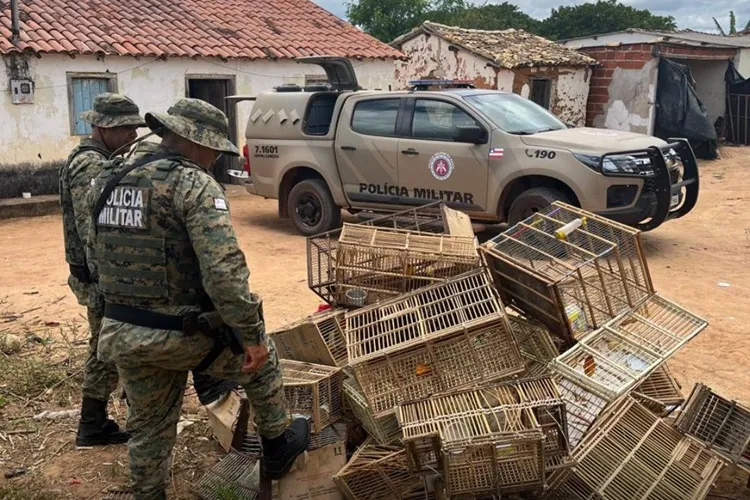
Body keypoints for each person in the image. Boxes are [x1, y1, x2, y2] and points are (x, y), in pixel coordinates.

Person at [88, 98, 309, 499]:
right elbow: (224, 271)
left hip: (123, 333)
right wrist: (251, 335)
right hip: (182, 334)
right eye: (212, 149)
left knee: (149, 428)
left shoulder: (108, 179)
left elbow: (94, 258)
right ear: (193, 141)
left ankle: (149, 494)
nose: (213, 159)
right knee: (262, 360)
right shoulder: (194, 184)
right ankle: (278, 446)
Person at [59, 92, 144, 446]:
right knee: (105, 349)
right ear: (101, 128)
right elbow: (90, 229)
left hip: (98, 276)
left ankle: (98, 420)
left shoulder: (99, 159)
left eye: (133, 128)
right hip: (99, 279)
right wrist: (109, 280)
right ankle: (91, 424)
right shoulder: (89, 166)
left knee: (109, 347)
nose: (131, 136)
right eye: (124, 129)